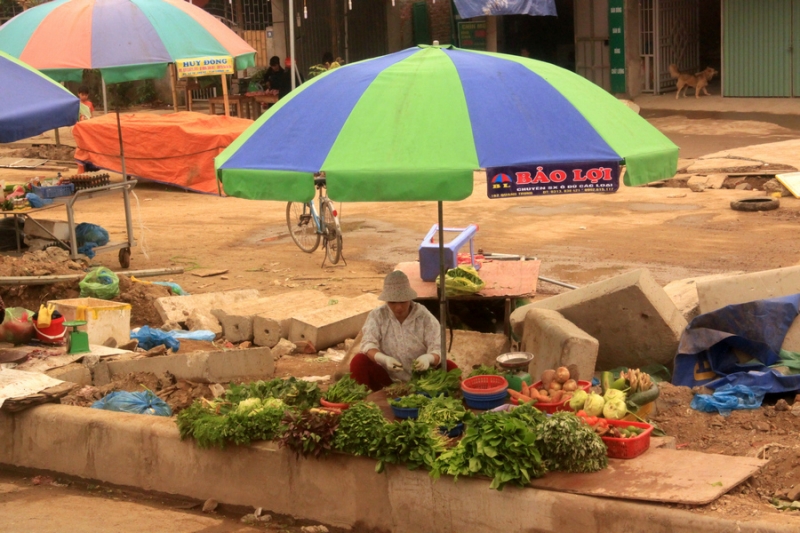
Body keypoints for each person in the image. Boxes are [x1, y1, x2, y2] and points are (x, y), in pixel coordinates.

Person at [350, 270, 458, 391]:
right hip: (387, 380)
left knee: (450, 367)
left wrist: (428, 358)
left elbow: (438, 349)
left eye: (403, 302)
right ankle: (364, 401)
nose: (398, 307)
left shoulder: (424, 317)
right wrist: (383, 359)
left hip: (424, 380)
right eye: (393, 302)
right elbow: (368, 344)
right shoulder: (377, 316)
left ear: (409, 298)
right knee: (359, 361)